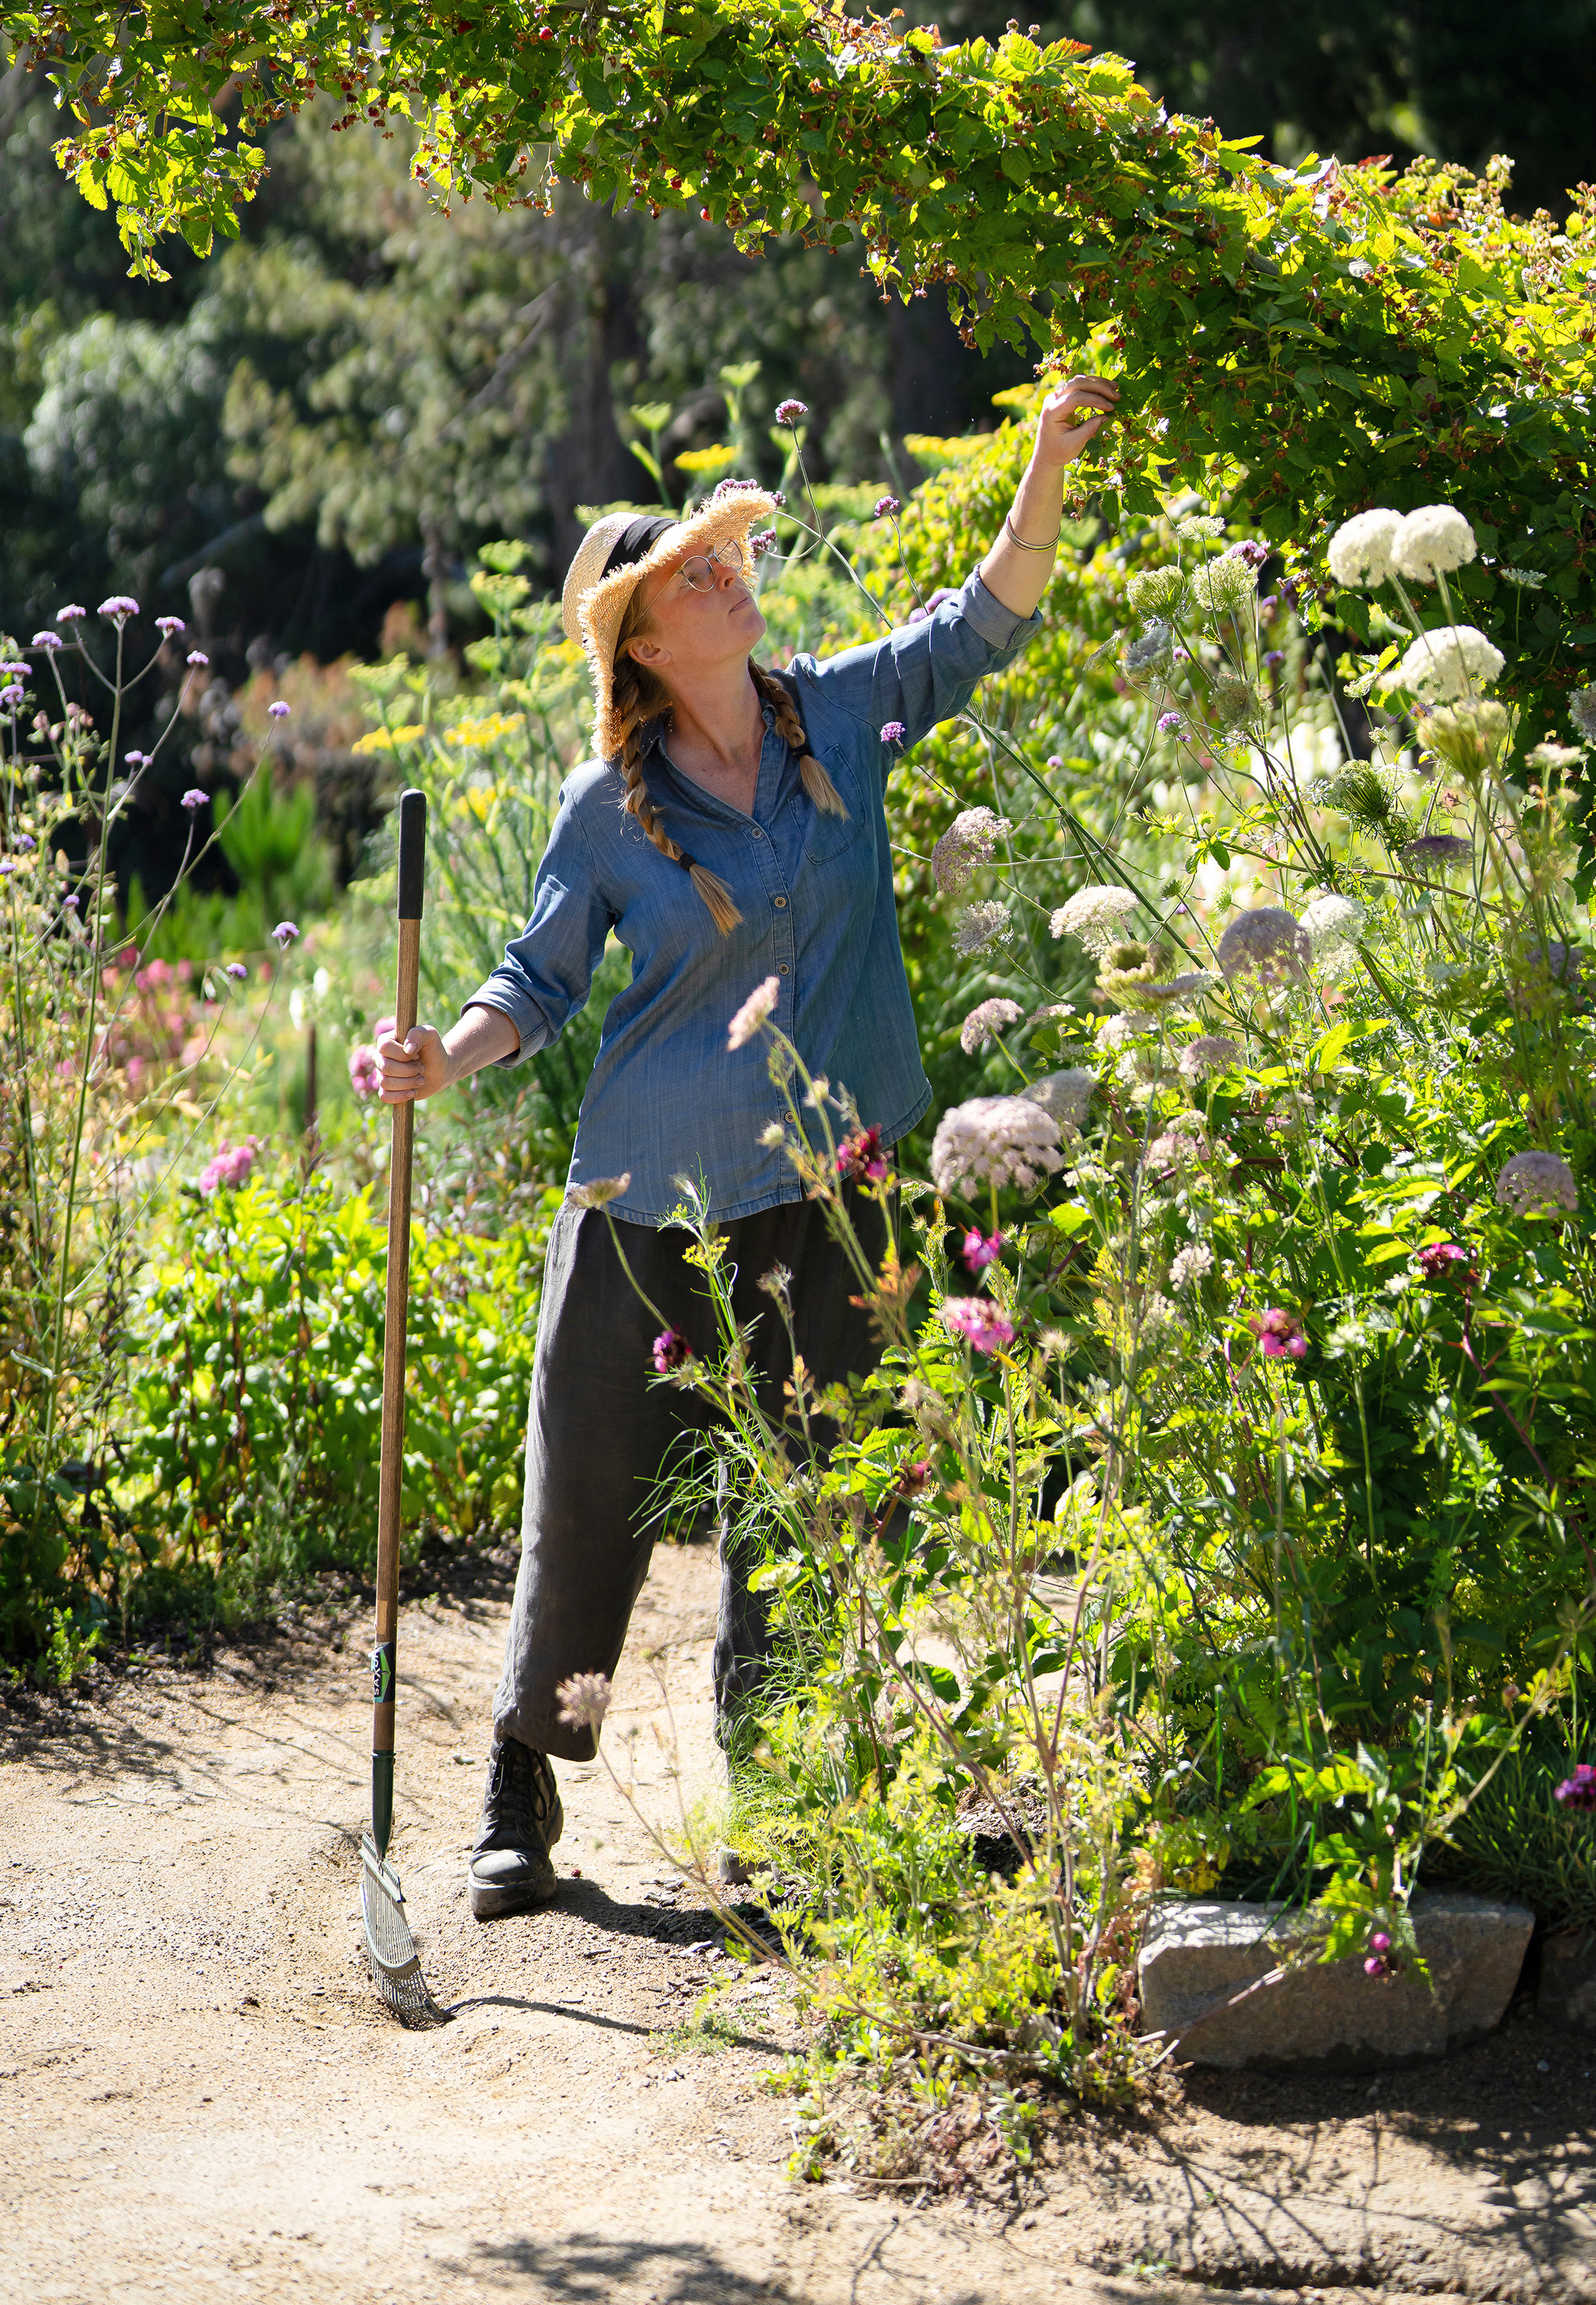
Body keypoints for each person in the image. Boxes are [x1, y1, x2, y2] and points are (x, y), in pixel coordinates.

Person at [377, 372, 1118, 1917]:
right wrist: (443, 1053)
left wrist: (1045, 461)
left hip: (833, 1191)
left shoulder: (835, 712)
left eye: (731, 558)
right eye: (693, 576)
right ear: (643, 642)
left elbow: (986, 620)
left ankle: (778, 1812)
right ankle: (523, 1773)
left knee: (814, 1497)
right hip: (650, 1199)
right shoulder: (607, 808)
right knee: (589, 1494)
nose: (732, 579)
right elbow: (539, 980)